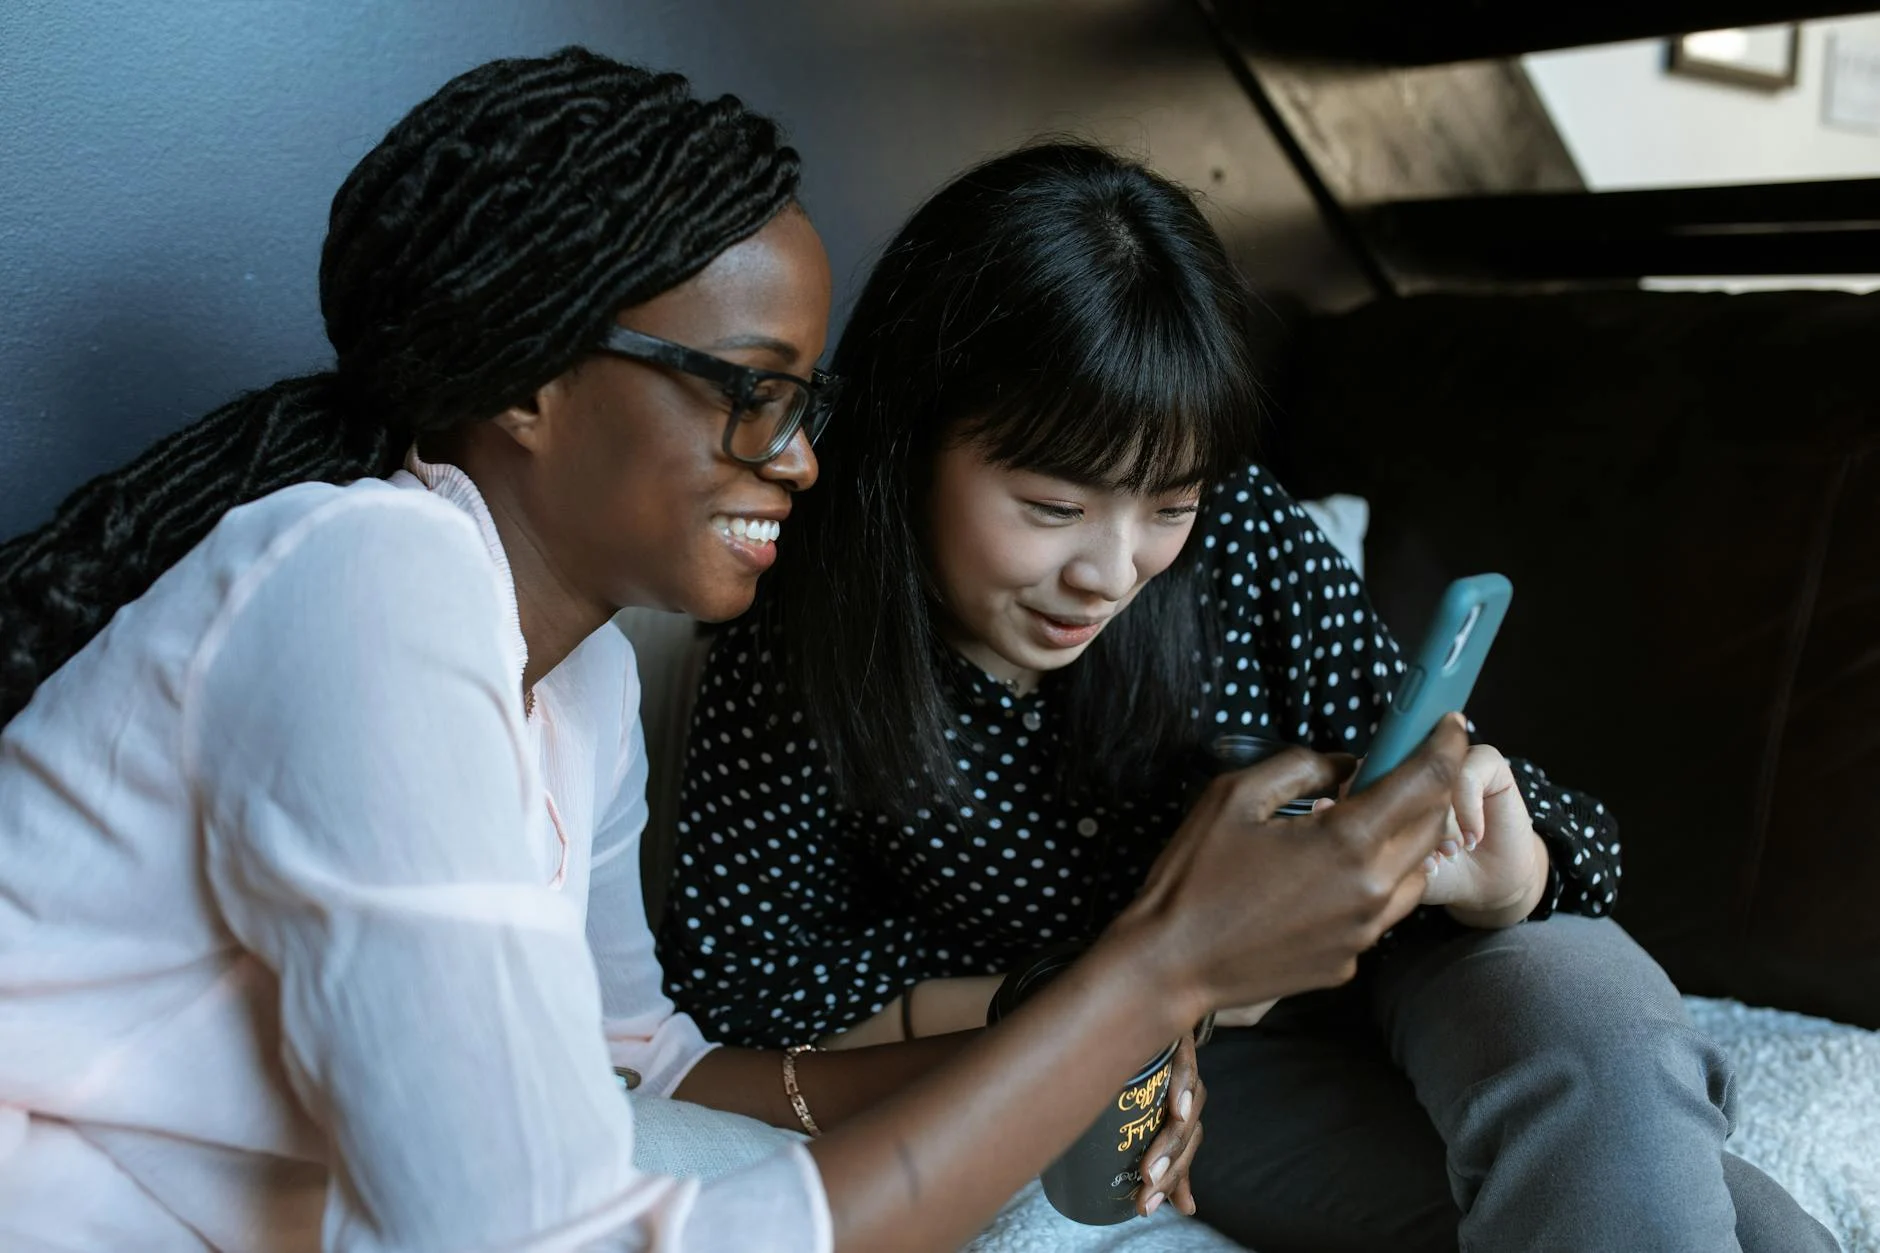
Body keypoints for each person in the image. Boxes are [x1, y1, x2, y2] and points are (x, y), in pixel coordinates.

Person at [0, 51, 1473, 1253]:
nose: (804, 460)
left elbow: (648, 1072)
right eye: (748, 393)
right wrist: (1151, 978)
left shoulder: (569, 683)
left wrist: (1067, 1044)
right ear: (527, 378)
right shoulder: (368, 585)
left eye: (806, 400)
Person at [657, 142, 1841, 1253]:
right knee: (1734, 1223)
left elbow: (1509, 804)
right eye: (1053, 508)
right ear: (913, 439)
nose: (1110, 570)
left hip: (1416, 948)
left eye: (1163, 505)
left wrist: (1508, 864)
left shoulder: (1239, 538)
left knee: (1591, 1033)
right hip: (1186, 1064)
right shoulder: (799, 642)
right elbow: (751, 987)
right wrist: (1111, 998)